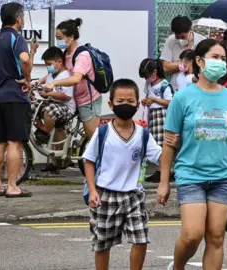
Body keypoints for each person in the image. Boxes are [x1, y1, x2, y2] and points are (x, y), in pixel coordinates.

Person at [157, 39, 227, 270]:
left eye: (222, 59)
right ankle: (177, 267)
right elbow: (169, 144)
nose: (220, 62)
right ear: (199, 61)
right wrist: (163, 182)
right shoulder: (182, 98)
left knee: (216, 237)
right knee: (192, 235)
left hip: (223, 176)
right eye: (214, 57)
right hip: (190, 175)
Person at [83, 79, 162, 270]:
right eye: (120, 101)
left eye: (129, 101)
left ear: (137, 103)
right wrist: (92, 190)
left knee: (141, 238)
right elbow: (89, 161)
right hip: (105, 195)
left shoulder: (143, 134)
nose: (125, 105)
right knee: (103, 243)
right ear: (110, 104)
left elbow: (160, 157)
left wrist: (175, 144)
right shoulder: (103, 132)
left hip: (133, 195)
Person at [0, 2, 38, 198]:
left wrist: (32, 53)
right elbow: (23, 60)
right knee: (14, 142)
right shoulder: (17, 38)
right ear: (18, 19)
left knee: (0, 142)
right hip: (15, 95)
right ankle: (13, 185)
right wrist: (27, 79)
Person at [43, 18, 102, 141]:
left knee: (92, 139)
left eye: (60, 38)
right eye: (57, 38)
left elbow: (76, 78)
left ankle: (101, 160)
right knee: (60, 130)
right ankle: (62, 160)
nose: (58, 41)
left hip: (88, 101)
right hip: (73, 100)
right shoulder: (66, 54)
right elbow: (57, 72)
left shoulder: (82, 55)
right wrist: (39, 81)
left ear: (71, 37)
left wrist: (54, 83)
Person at [139, 59, 173, 183]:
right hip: (153, 115)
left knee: (162, 143)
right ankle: (164, 170)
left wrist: (153, 100)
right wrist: (146, 101)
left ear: (155, 72)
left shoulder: (164, 85)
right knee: (156, 143)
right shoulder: (148, 85)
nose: (146, 79)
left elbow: (170, 101)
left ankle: (164, 171)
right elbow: (149, 98)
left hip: (162, 115)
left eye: (147, 76)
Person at [32, 46, 75, 144]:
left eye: (49, 64)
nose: (48, 67)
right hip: (54, 103)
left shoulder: (66, 75)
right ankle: (44, 130)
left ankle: (45, 133)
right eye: (46, 65)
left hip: (66, 107)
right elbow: (47, 95)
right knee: (32, 106)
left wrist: (49, 93)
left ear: (59, 62)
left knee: (49, 109)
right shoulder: (50, 76)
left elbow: (67, 96)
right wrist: (43, 93)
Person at [160, 16, 206, 91]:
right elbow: (165, 67)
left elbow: (204, 66)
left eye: (182, 36)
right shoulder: (171, 40)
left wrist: (175, 64)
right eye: (177, 36)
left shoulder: (202, 41)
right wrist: (187, 63)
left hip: (197, 88)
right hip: (176, 87)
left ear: (190, 30)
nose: (179, 39)